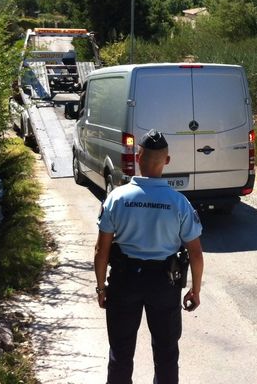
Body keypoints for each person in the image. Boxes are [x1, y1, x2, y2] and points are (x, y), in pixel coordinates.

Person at [94, 129, 204, 384]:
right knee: (166, 354)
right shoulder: (179, 203)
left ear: (138, 156)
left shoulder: (116, 198)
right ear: (166, 160)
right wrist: (195, 290)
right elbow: (196, 254)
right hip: (164, 285)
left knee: (120, 353)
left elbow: (101, 251)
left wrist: (101, 288)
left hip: (124, 282)